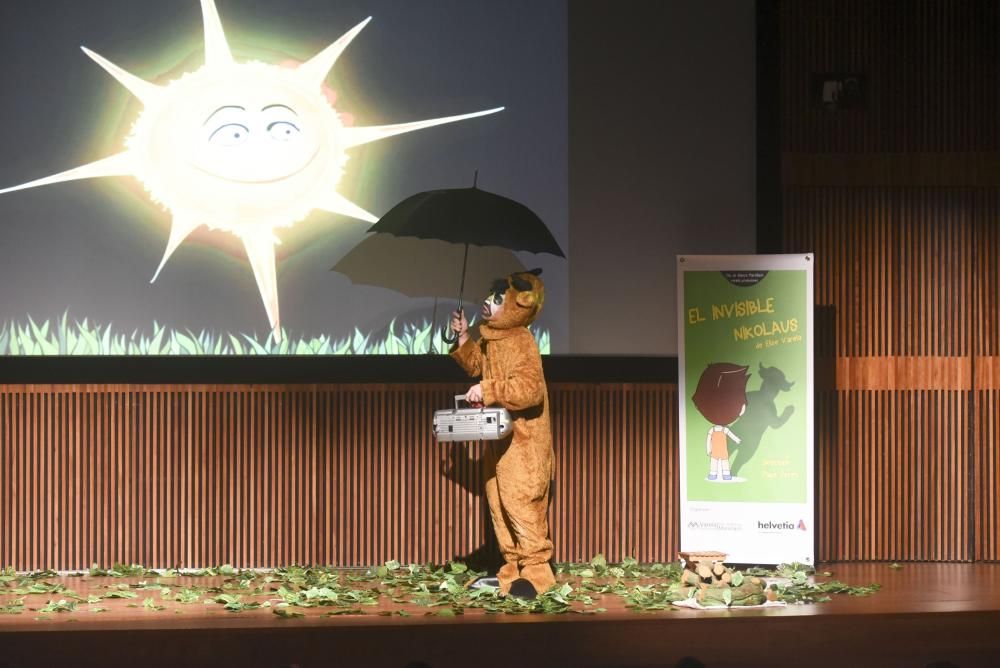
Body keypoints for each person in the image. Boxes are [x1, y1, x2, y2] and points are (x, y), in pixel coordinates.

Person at [449, 269, 555, 598]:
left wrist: (489, 390)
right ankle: (512, 570)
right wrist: (464, 337)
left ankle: (537, 574)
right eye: (489, 296)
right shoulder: (494, 339)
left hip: (524, 444)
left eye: (497, 299)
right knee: (498, 504)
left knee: (522, 504)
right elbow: (477, 365)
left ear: (516, 305)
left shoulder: (522, 340)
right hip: (500, 441)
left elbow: (530, 390)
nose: (487, 303)